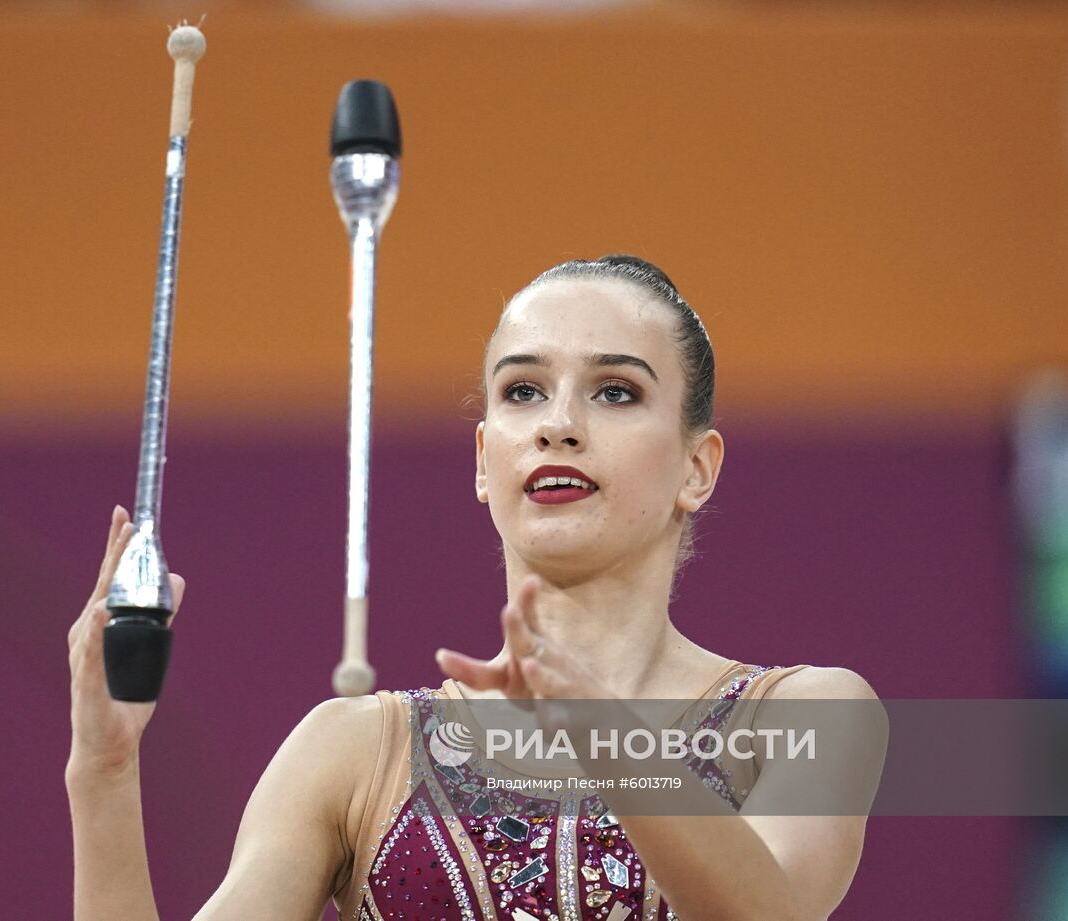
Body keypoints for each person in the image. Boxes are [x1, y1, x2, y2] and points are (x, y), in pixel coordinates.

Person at [66, 255, 885, 920]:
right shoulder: (353, 752)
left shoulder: (807, 714)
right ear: (485, 462)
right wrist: (102, 773)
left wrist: (596, 722)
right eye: (523, 389)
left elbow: (767, 913)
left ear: (697, 468)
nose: (558, 423)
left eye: (616, 391)